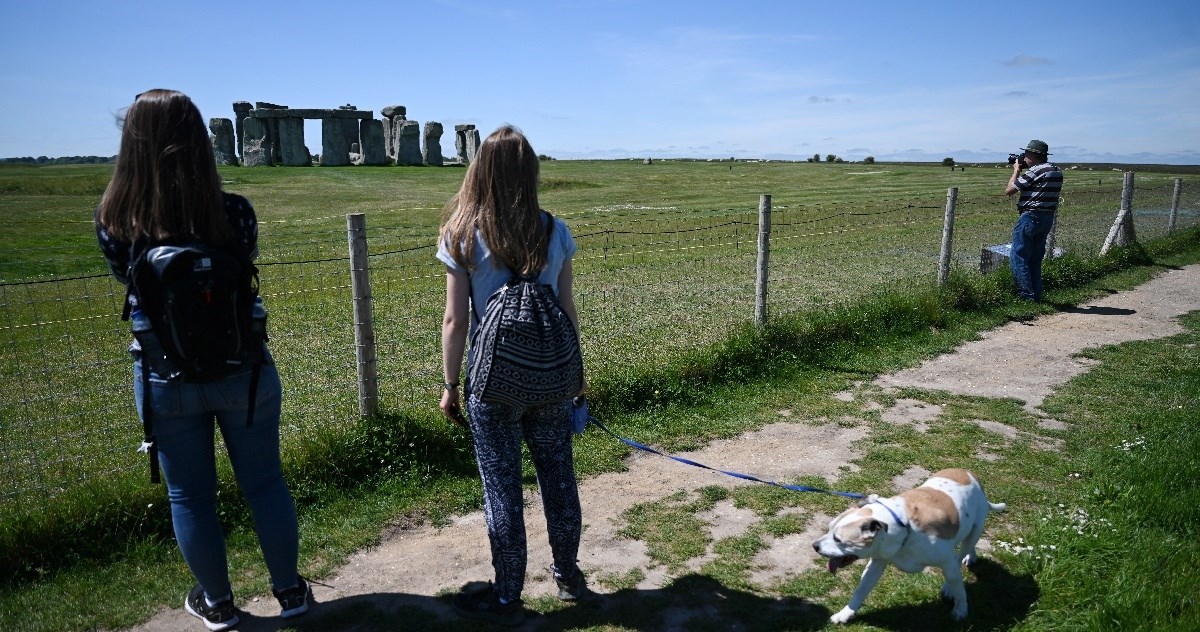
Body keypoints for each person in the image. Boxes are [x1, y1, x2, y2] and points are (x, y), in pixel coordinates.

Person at [95, 89, 309, 631]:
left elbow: (130, 282)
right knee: (264, 483)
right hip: (246, 370)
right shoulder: (234, 211)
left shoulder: (114, 219)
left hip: (164, 374)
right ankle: (289, 591)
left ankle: (217, 603)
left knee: (190, 496)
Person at [437, 125, 588, 626]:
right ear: (531, 174)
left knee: (501, 485)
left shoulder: (463, 235)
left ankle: (507, 591)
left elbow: (457, 321)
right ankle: (567, 574)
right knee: (559, 477)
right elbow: (567, 310)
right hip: (549, 375)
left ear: (480, 171)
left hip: (491, 380)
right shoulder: (555, 230)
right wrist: (576, 374)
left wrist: (451, 385)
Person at [1004, 139, 1063, 302]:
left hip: (1030, 217)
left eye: (1026, 154)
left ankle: (1025, 296)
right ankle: (1036, 294)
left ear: (1033, 155)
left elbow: (1009, 190)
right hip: (1047, 218)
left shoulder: (1036, 170)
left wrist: (1016, 171)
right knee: (1035, 259)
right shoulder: (1056, 170)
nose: (1024, 157)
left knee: (1019, 256)